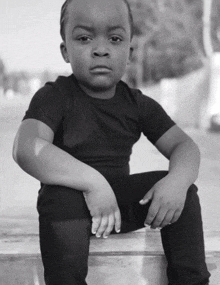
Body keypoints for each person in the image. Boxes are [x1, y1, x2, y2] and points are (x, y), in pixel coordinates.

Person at [12, 0, 210, 284]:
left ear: (129, 52)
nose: (101, 49)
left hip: (118, 210)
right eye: (84, 38)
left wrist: (176, 183)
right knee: (59, 196)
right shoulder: (55, 96)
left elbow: (185, 146)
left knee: (185, 191)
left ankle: (191, 280)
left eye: (115, 39)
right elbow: (26, 148)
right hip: (68, 212)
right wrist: (93, 183)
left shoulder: (137, 103)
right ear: (65, 50)